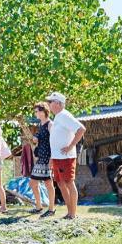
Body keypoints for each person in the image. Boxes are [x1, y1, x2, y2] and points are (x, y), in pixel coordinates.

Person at [46, 92, 86, 220]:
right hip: (58, 157)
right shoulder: (58, 116)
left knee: (68, 182)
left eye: (50, 102)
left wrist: (70, 146)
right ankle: (69, 212)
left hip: (66, 157)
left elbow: (81, 129)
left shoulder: (64, 115)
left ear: (58, 103)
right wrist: (52, 157)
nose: (49, 104)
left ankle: (72, 214)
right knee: (61, 183)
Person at [28, 102, 56, 217]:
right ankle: (39, 207)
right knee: (33, 182)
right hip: (41, 157)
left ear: (44, 111)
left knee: (48, 183)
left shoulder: (50, 124)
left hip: (47, 158)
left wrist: (52, 159)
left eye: (37, 111)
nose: (35, 113)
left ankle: (51, 209)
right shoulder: (41, 124)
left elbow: (54, 142)